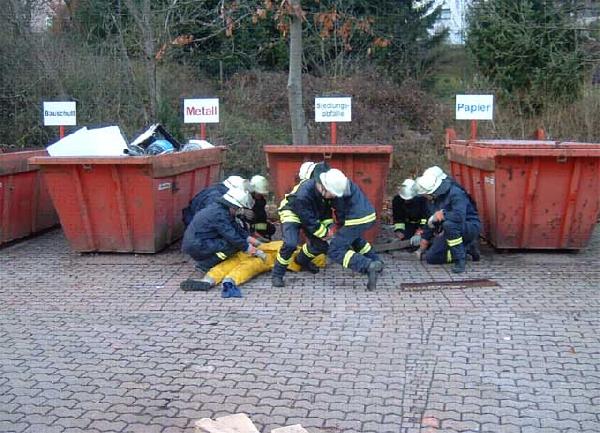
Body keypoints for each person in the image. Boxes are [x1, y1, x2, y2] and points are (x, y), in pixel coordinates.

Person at [180, 187, 267, 290]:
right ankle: (206, 264)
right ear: (233, 206)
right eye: (238, 208)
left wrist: (252, 240)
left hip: (201, 241)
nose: (239, 211)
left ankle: (209, 265)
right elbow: (232, 236)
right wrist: (250, 249)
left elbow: (236, 228)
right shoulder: (219, 215)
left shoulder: (221, 210)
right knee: (232, 246)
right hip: (198, 245)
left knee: (235, 244)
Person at [180, 241, 327, 297]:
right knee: (243, 265)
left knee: (237, 263)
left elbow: (312, 261)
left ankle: (210, 280)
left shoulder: (307, 251)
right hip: (264, 253)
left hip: (265, 255)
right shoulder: (303, 250)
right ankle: (225, 281)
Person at [319, 168, 384, 291]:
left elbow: (340, 214)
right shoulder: (343, 183)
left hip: (356, 219)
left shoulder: (337, 194)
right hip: (369, 215)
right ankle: (377, 262)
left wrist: (337, 228)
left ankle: (368, 266)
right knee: (355, 240)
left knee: (335, 250)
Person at [271, 171, 333, 287]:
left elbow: (325, 213)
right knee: (290, 244)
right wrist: (325, 233)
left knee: (321, 245)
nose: (334, 196)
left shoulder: (324, 193)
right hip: (291, 212)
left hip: (308, 215)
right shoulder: (303, 194)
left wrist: (328, 227)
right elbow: (308, 220)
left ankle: (301, 261)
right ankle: (277, 274)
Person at [414, 171, 481, 273]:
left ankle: (460, 260)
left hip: (469, 226)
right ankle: (467, 249)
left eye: (425, 194)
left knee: (449, 225)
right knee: (431, 258)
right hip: (449, 230)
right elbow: (431, 218)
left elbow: (459, 216)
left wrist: (443, 214)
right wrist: (425, 238)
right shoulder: (433, 199)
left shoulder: (456, 193)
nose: (424, 197)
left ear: (432, 192)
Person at [182, 175, 249, 226]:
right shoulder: (215, 197)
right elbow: (213, 219)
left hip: (193, 219)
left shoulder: (216, 189)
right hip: (195, 225)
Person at [392, 178, 430, 247]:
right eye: (404, 199)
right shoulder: (397, 200)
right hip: (408, 223)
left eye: (409, 199)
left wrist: (420, 231)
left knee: (424, 239)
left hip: (421, 223)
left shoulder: (422, 201)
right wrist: (399, 230)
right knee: (407, 239)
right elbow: (398, 217)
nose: (406, 201)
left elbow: (425, 218)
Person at [247, 175, 276, 240]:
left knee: (271, 228)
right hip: (252, 226)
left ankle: (262, 235)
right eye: (259, 193)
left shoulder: (261, 200)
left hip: (259, 224)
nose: (260, 195)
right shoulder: (248, 200)